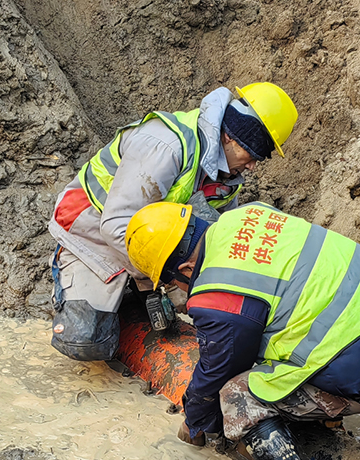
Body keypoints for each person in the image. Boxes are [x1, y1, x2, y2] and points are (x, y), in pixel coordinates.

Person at [124, 201, 360, 460]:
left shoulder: (217, 296)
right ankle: (326, 420)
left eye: (171, 284)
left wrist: (196, 423)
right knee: (279, 338)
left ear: (185, 270)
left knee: (237, 396)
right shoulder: (248, 215)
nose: (178, 291)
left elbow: (216, 372)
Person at [47, 83, 298, 361]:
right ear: (230, 136)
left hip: (152, 245)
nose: (252, 166)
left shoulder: (227, 179)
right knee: (86, 341)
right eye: (253, 153)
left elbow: (224, 245)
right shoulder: (166, 146)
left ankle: (132, 294)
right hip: (92, 236)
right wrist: (169, 281)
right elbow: (116, 225)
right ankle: (83, 281)